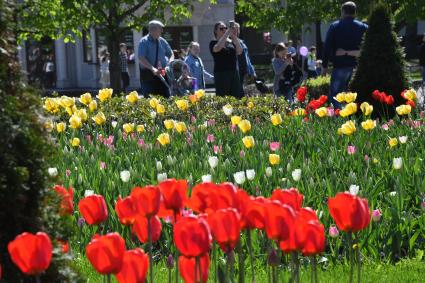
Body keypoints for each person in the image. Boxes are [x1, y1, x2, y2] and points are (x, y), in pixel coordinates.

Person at [322, 1, 368, 108]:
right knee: (355, 95)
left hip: (340, 66)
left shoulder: (334, 26)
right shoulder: (363, 27)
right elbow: (368, 47)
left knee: (336, 95)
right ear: (355, 12)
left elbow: (327, 48)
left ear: (342, 12)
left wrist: (324, 67)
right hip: (358, 67)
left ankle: (339, 119)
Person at [138, 20, 174, 97]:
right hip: (148, 77)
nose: (162, 31)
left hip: (162, 75)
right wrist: (152, 68)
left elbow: (171, 54)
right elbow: (141, 57)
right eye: (160, 29)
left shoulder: (162, 41)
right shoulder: (143, 42)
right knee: (150, 100)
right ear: (152, 30)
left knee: (166, 99)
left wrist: (169, 64)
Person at [209, 21, 243, 98]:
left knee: (236, 97)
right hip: (221, 74)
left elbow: (240, 51)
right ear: (215, 31)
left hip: (234, 73)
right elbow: (217, 48)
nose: (224, 30)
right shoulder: (213, 42)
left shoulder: (230, 42)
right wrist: (227, 33)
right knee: (223, 98)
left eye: (225, 28)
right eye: (221, 28)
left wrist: (234, 36)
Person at [235, 22, 257, 96]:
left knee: (247, 93)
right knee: (239, 92)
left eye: (237, 29)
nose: (236, 31)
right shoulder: (229, 42)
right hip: (237, 71)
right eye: (234, 29)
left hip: (246, 71)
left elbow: (248, 58)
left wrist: (253, 71)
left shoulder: (242, 42)